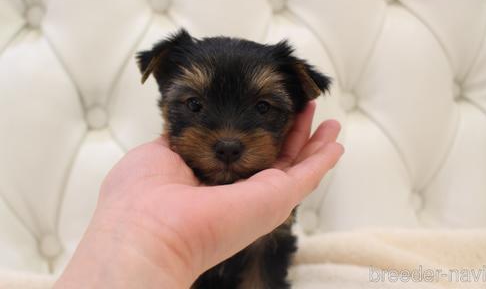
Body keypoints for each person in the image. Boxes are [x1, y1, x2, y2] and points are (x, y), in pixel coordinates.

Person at [55, 102, 344, 288]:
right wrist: (147, 235)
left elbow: (270, 266)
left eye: (263, 109)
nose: (228, 140)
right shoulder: (157, 180)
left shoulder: (278, 196)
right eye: (195, 106)